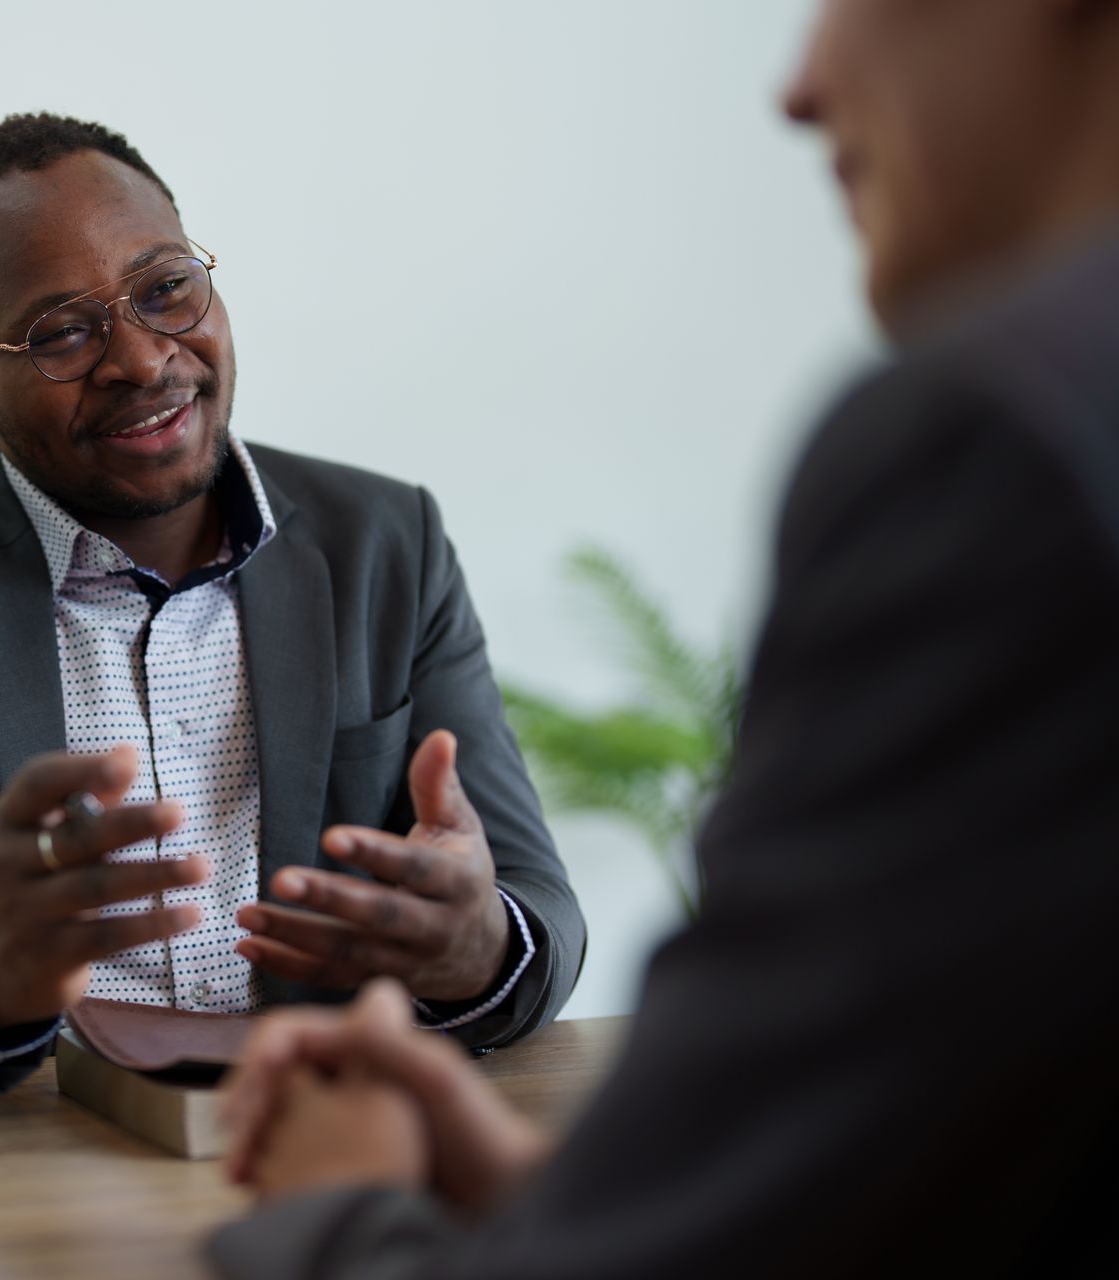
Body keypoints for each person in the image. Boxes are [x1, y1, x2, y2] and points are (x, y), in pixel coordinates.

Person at [209, 1, 1119, 1274]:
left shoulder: (996, 440)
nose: (797, 88)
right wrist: (553, 1185)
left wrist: (331, 1198)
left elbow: (534, 924)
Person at [0, 114, 585, 1094]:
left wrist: (474, 945)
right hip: (17, 1188)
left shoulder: (384, 542)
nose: (144, 359)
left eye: (166, 290)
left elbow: (533, 905)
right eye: (61, 331)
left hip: (321, 1145)